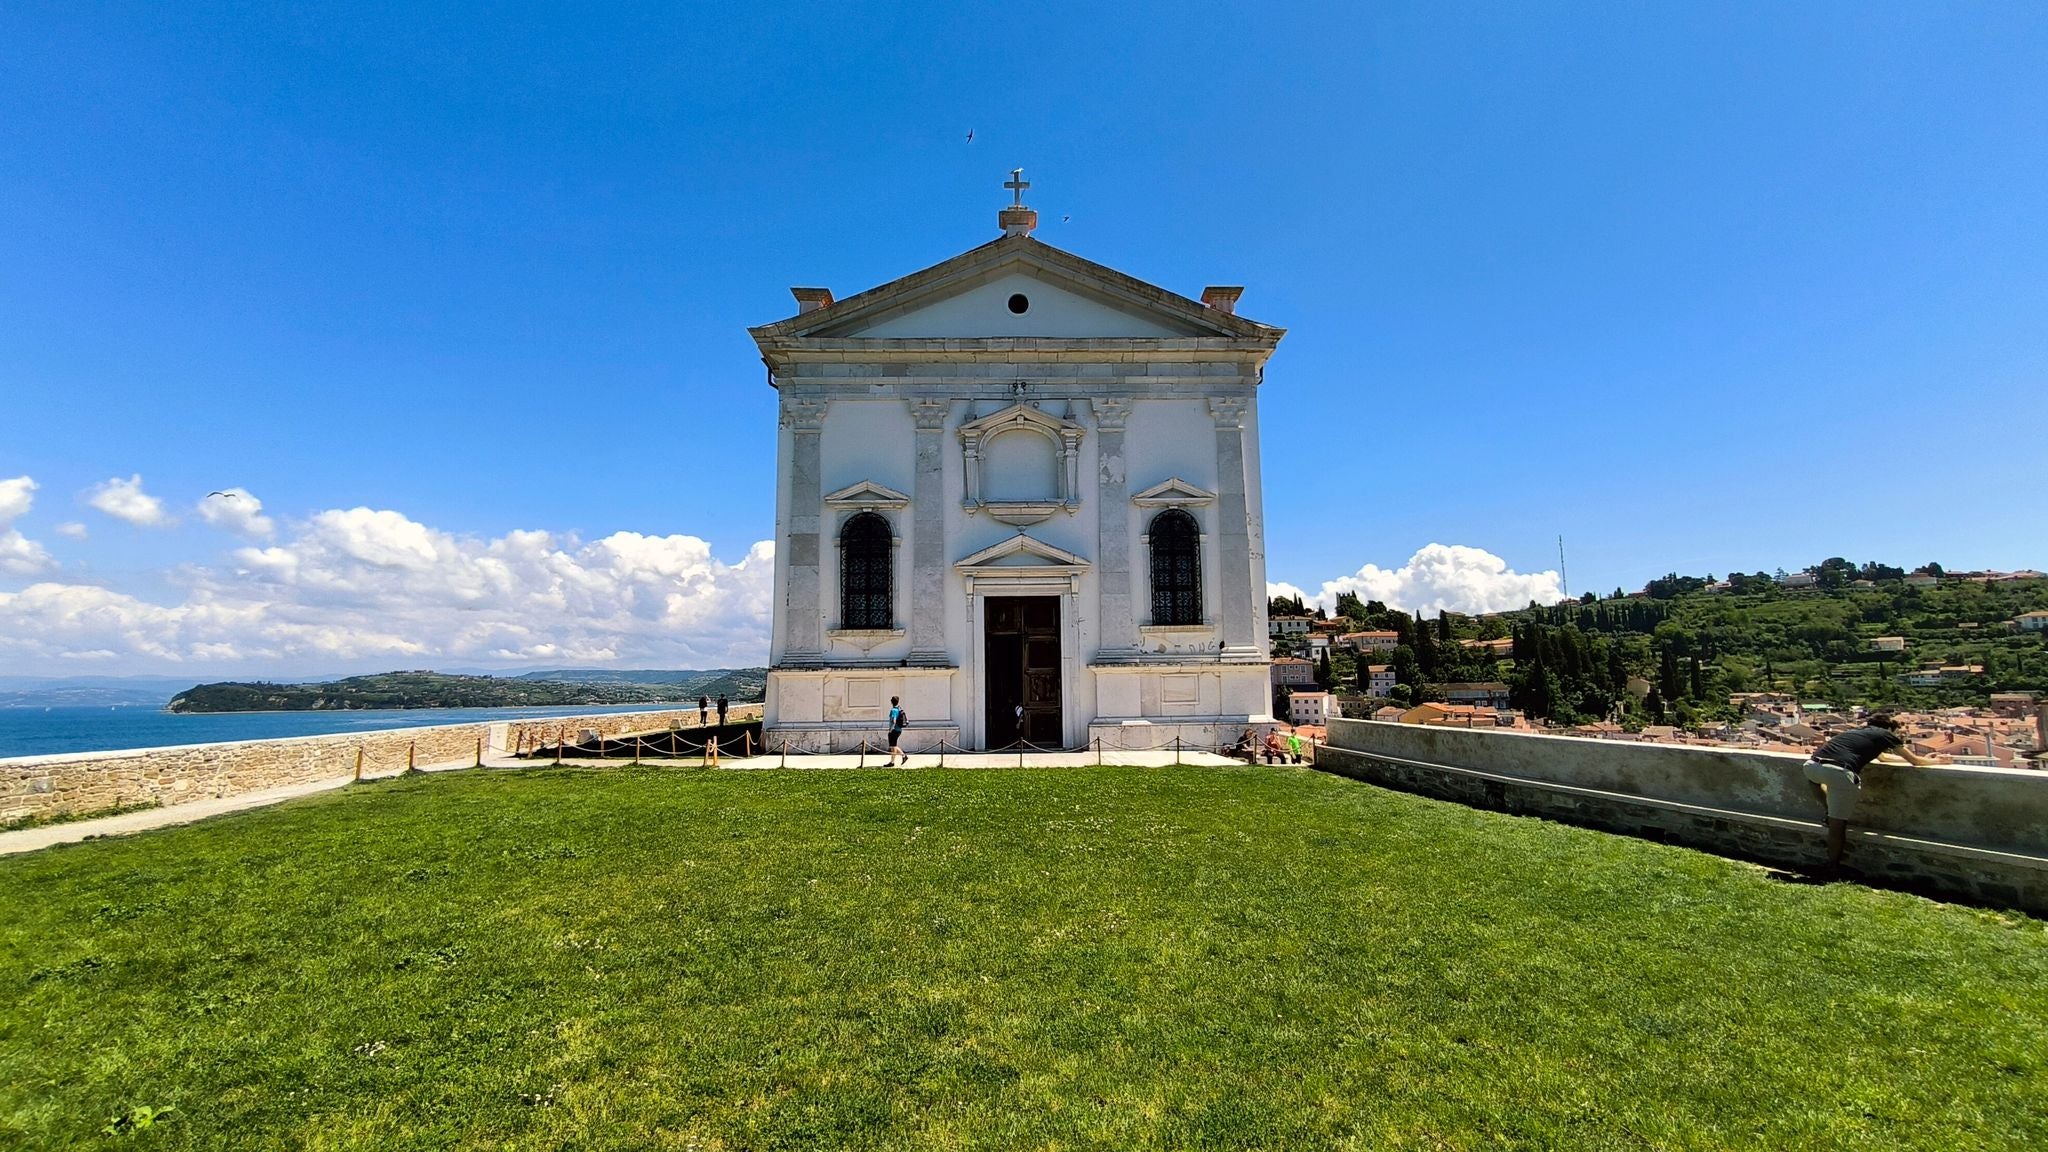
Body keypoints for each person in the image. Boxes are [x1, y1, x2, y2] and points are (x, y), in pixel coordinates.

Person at [1803, 712, 1940, 869]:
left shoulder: (1853, 732)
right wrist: (1938, 761)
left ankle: (1828, 810)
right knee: (1837, 826)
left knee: (1815, 781)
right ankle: (1832, 866)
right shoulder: (1886, 735)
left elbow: (1883, 758)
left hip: (1812, 766)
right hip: (1840, 773)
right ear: (1889, 728)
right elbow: (1915, 761)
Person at [886, 696, 907, 766]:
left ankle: (892, 762)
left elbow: (894, 721)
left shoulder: (893, 710)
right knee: (893, 746)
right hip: (899, 730)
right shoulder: (899, 709)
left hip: (894, 730)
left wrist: (891, 729)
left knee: (893, 747)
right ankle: (904, 756)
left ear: (891, 702)